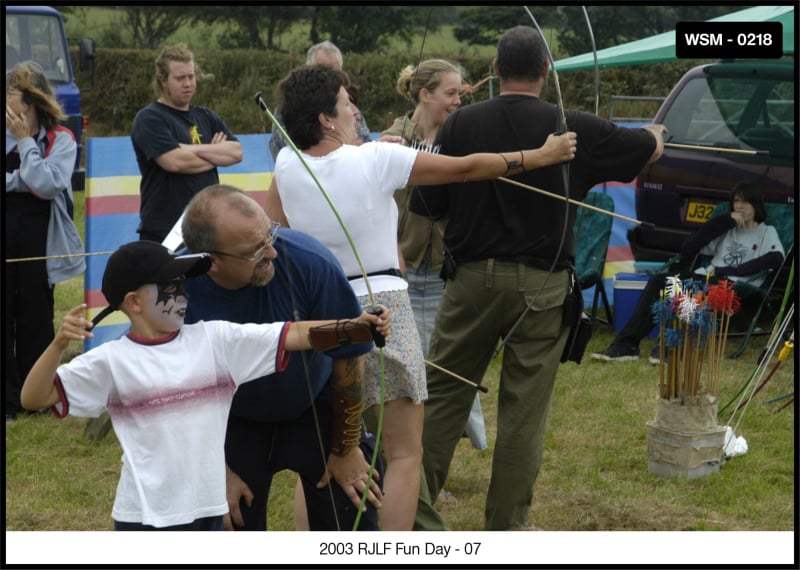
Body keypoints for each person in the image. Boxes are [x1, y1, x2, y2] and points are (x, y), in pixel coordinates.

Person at [267, 63, 577, 529]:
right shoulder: (375, 159)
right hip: (382, 305)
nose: (355, 110)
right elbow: (468, 168)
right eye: (345, 104)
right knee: (405, 453)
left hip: (316, 313)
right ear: (325, 120)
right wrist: (540, 155)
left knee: (325, 448)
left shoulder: (286, 163)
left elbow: (279, 235)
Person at [409, 25, 665, 530]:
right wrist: (656, 135)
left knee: (442, 400)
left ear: (496, 71)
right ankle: (504, 534)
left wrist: (472, 231)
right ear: (547, 72)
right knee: (523, 413)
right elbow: (645, 149)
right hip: (543, 287)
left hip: (471, 282)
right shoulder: (574, 127)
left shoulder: (460, 124)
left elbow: (428, 204)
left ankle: (415, 523)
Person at [20, 240, 389, 530]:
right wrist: (56, 346)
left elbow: (294, 335)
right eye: (169, 288)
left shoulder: (215, 341)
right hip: (143, 516)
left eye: (182, 285)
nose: (182, 295)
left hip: (210, 511)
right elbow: (34, 397)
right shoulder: (111, 362)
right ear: (133, 302)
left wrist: (354, 327)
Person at [180, 184, 385, 532]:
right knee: (221, 522)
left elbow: (349, 357)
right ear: (210, 262)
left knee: (352, 511)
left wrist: (347, 449)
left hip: (315, 402)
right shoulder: (174, 291)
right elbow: (180, 391)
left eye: (269, 235)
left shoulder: (310, 261)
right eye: (254, 251)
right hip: (231, 417)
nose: (272, 253)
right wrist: (216, 472)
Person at [381, 59, 488, 503]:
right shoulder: (391, 137)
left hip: (448, 269)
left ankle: (430, 471)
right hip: (400, 272)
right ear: (425, 94)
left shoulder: (462, 134)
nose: (459, 101)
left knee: (446, 373)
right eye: (451, 93)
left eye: (461, 94)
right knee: (412, 376)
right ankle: (415, 473)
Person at [591, 181, 785, 364]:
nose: (740, 206)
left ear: (756, 205)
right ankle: (626, 344)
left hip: (735, 287)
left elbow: (776, 258)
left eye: (745, 201)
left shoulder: (766, 232)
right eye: (736, 201)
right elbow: (689, 246)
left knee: (685, 288)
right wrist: (724, 221)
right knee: (660, 281)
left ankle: (669, 345)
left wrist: (725, 270)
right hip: (706, 279)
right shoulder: (726, 229)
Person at [5, 61, 84, 423]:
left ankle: (34, 398)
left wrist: (24, 146)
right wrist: (26, 177)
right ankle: (7, 400)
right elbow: (36, 180)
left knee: (36, 313)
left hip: (40, 237)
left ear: (34, 102)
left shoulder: (62, 139)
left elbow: (49, 184)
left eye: (13, 99)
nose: (8, 106)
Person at [131, 43, 242, 243]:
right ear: (162, 80)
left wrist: (191, 148)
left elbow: (236, 153)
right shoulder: (149, 118)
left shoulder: (206, 116)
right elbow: (175, 162)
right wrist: (216, 154)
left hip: (206, 226)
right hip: (164, 228)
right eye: (180, 78)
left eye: (191, 76)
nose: (188, 83)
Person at [269, 40, 371, 161]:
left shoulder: (350, 108)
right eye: (323, 72)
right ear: (307, 71)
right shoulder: (286, 109)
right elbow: (298, 154)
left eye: (336, 73)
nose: (331, 79)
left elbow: (366, 146)